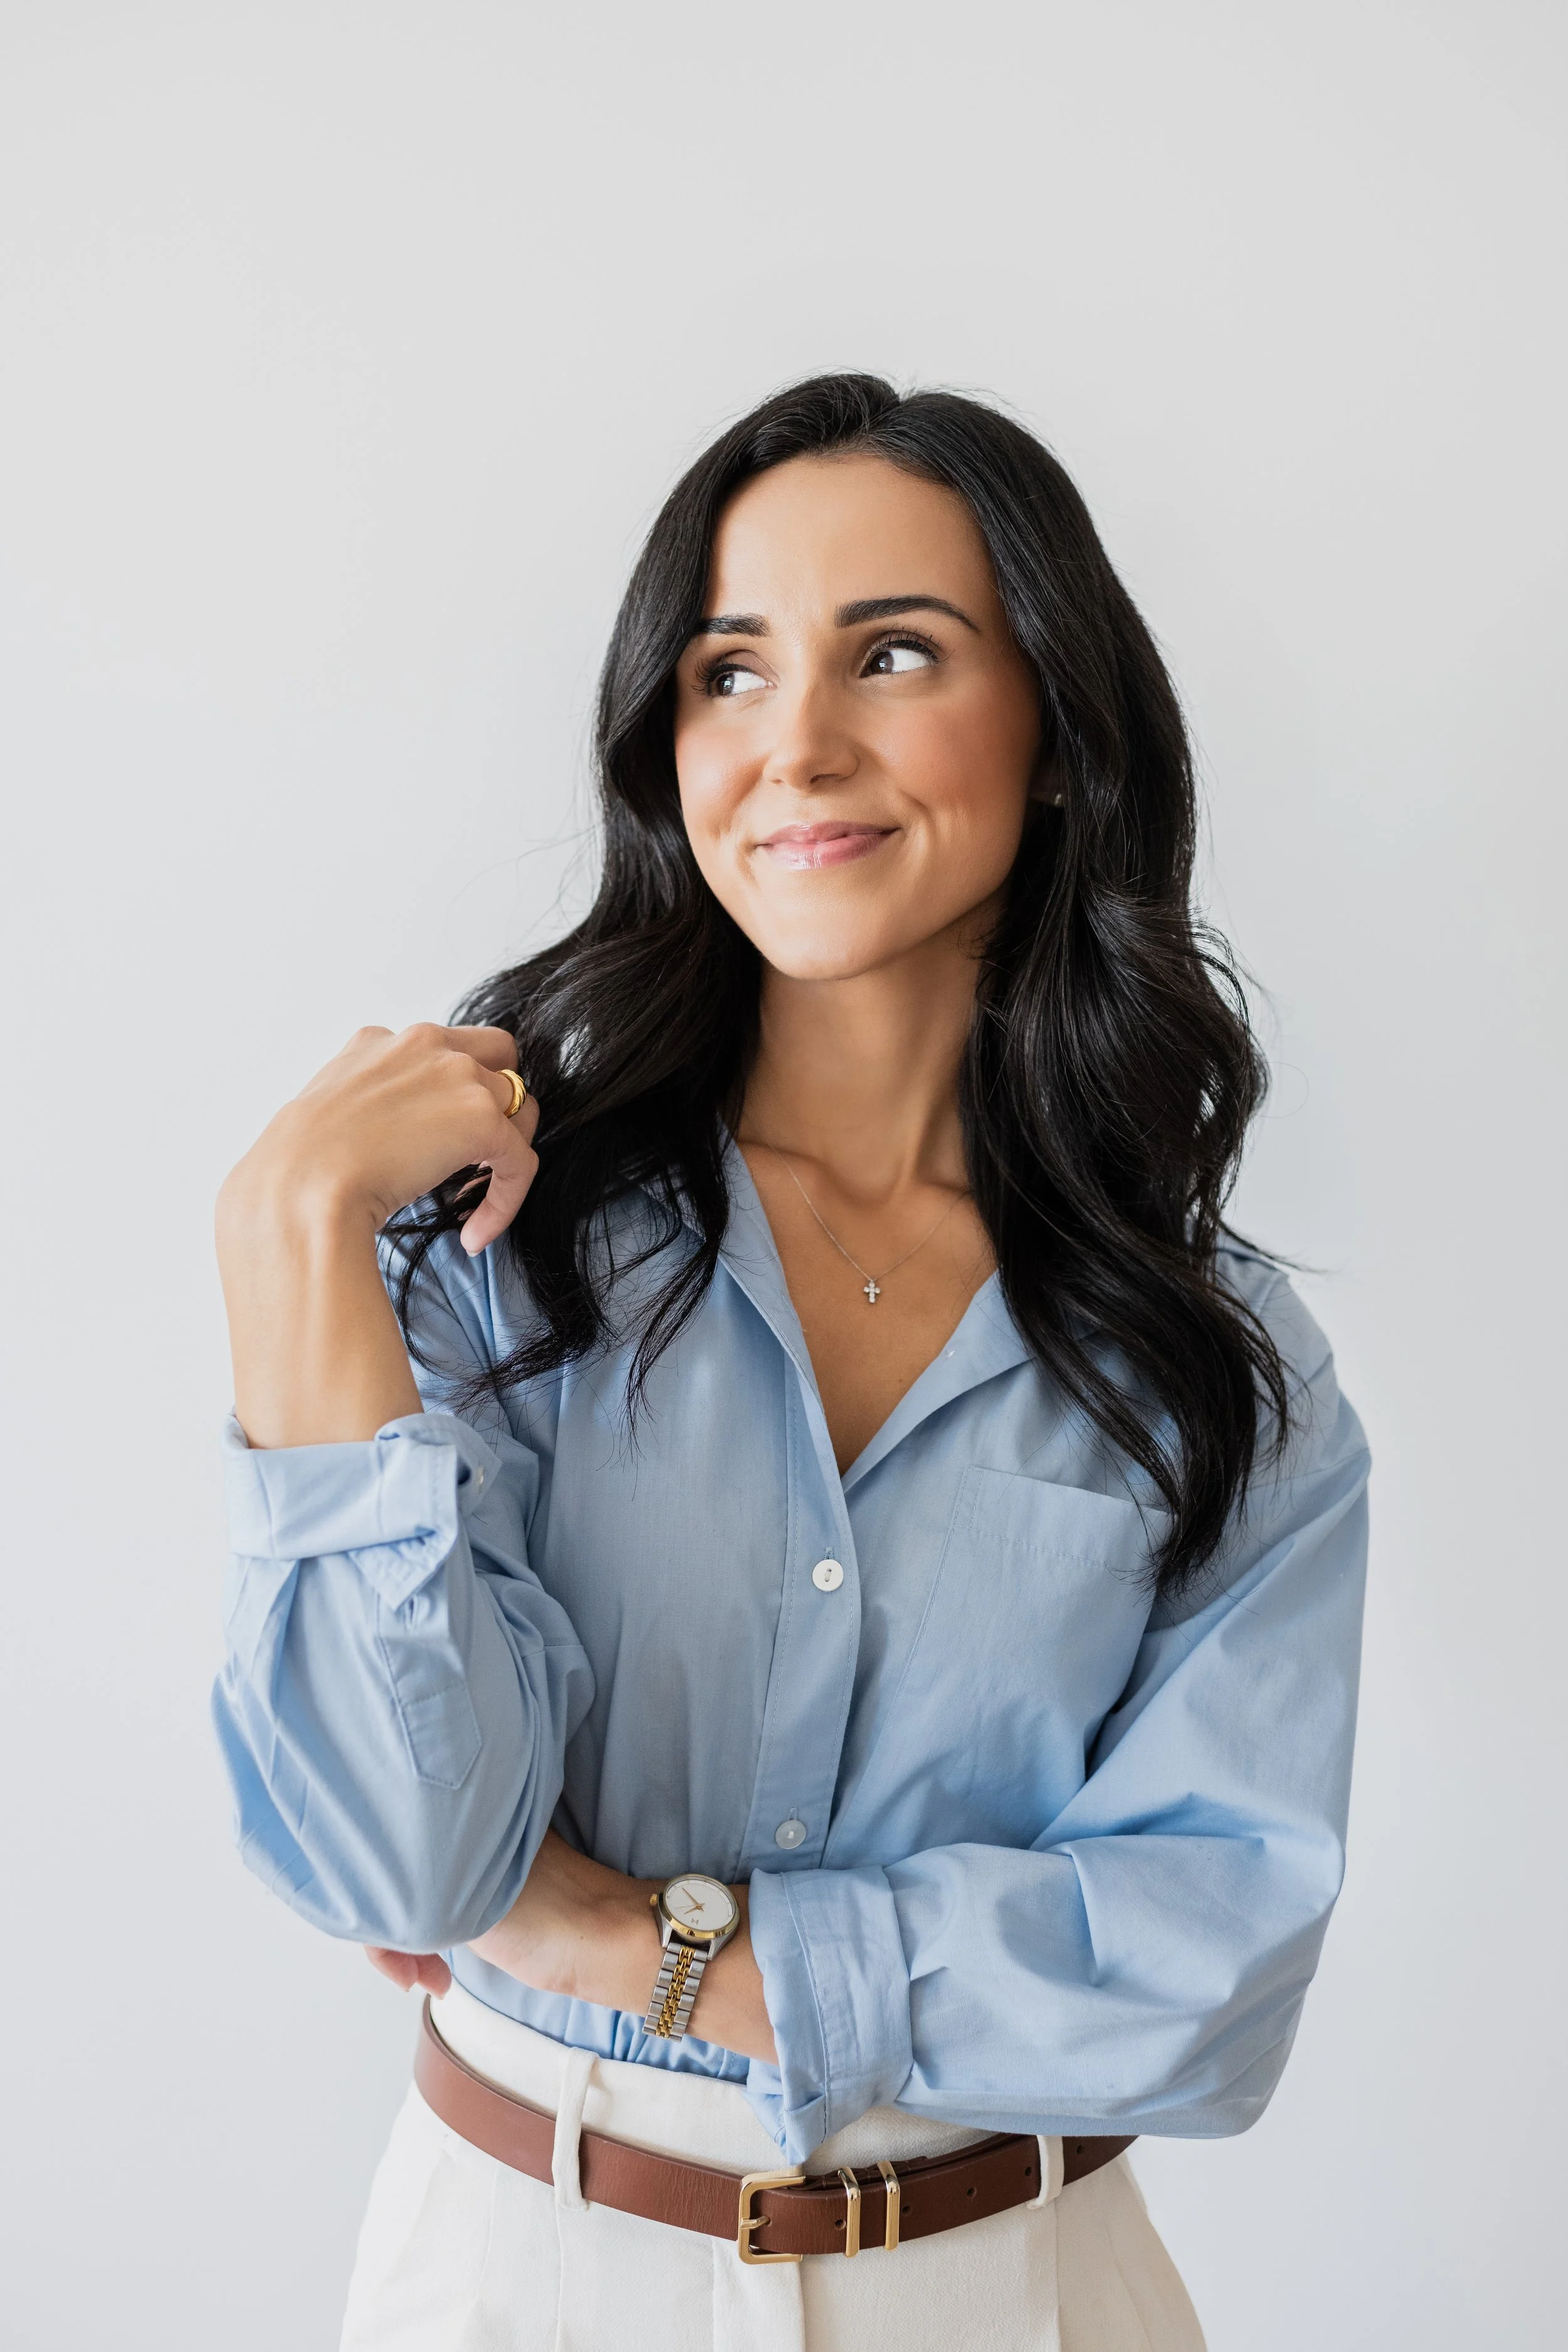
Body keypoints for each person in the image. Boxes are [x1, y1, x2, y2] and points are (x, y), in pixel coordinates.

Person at [213, 374, 1369, 2352]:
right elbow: (399, 1855)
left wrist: (628, 1936)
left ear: (1060, 733)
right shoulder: (506, 1251)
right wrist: (288, 1240)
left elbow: (1201, 1973)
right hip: (528, 2268)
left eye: (893, 652)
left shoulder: (1220, 1361)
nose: (796, 745)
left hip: (1020, 2290)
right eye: (726, 671)